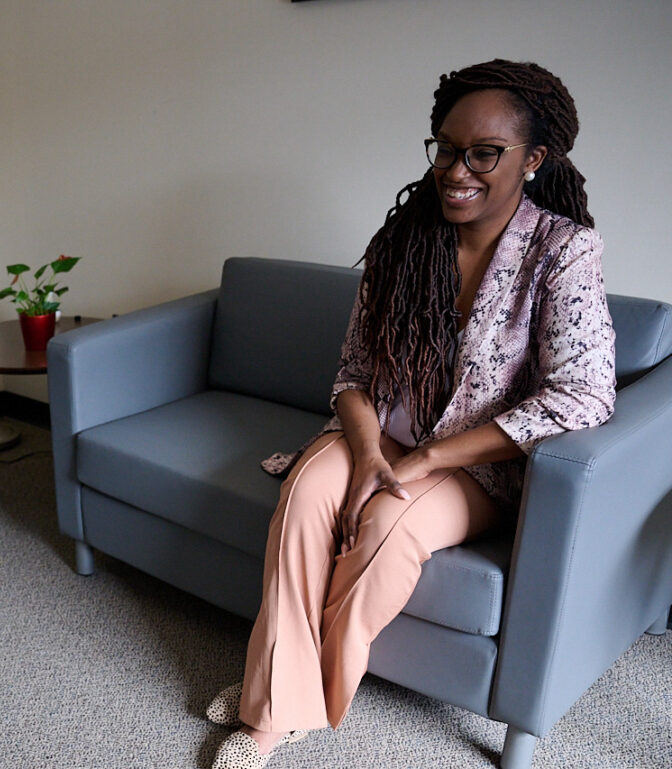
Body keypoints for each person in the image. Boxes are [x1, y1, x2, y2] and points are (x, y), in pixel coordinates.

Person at [206, 59, 617, 769]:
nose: (457, 169)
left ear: (534, 159)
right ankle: (279, 698)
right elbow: (354, 373)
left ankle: (280, 704)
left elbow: (583, 393)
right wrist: (369, 454)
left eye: (484, 152)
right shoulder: (404, 240)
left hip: (476, 466)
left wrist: (427, 458)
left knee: (387, 527)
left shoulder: (562, 251)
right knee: (306, 495)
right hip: (378, 433)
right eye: (446, 147)